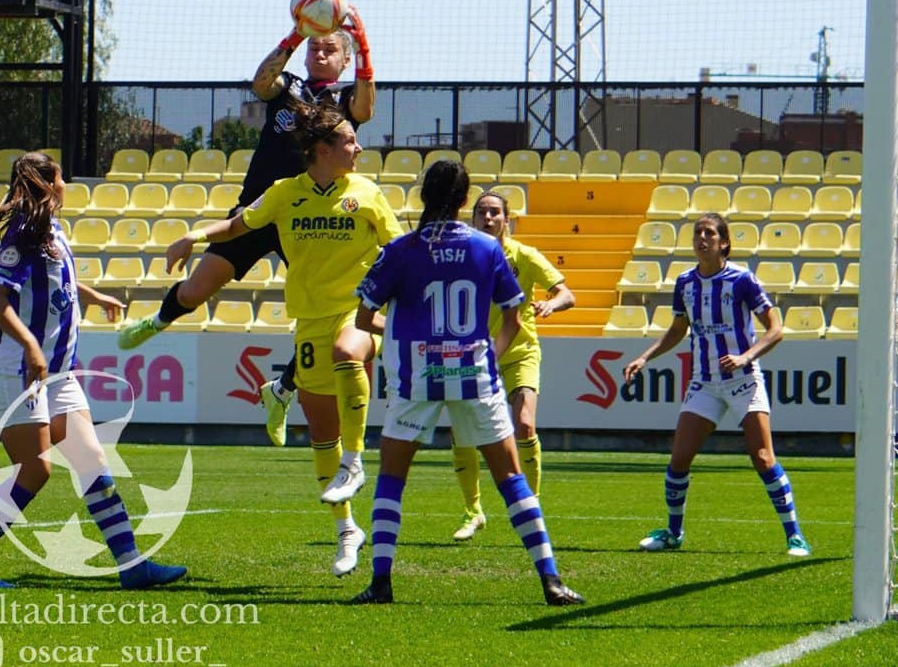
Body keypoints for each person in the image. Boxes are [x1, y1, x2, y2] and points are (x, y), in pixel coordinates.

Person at [117, 5, 377, 448]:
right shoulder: (288, 88)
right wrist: (296, 34)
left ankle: (282, 390)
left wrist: (365, 45)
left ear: (344, 58)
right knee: (196, 290)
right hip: (259, 206)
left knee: (326, 319)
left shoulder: (348, 97)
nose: (319, 53)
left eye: (329, 48)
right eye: (314, 47)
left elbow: (366, 110)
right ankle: (158, 320)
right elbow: (260, 83)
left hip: (310, 217)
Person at [163, 104, 401, 578]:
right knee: (321, 432)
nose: (358, 148)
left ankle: (355, 462)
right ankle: (346, 529)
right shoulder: (284, 193)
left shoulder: (368, 194)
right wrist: (194, 236)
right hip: (309, 320)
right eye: (349, 140)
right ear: (322, 149)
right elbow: (238, 226)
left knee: (348, 353)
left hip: (356, 310)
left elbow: (397, 247)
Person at [347, 159, 584, 606]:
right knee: (511, 477)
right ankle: (550, 579)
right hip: (474, 373)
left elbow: (363, 318)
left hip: (417, 376)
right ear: (463, 201)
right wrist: (488, 355)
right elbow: (513, 318)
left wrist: (402, 333)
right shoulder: (488, 248)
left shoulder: (399, 250)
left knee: (392, 477)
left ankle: (381, 582)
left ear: (423, 196)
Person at [0, 151, 187, 590]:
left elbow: (55, 279)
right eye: (60, 177)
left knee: (93, 460)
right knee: (35, 471)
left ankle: (132, 565)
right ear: (48, 183)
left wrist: (92, 297)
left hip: (59, 373)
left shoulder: (51, 227)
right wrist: (31, 346)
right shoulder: (26, 230)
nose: (65, 184)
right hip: (17, 372)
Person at [623, 213, 810, 558]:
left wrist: (745, 357)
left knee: (763, 458)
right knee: (679, 459)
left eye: (709, 233)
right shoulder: (685, 282)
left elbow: (775, 329)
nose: (702, 238)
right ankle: (673, 533)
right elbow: (678, 330)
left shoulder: (742, 279)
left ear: (724, 242)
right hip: (705, 383)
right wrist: (644, 357)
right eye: (698, 233)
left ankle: (795, 536)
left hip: (743, 380)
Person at [448, 190, 575, 541]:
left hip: (520, 350)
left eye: (494, 213)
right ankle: (473, 512)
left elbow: (567, 294)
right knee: (461, 434)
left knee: (524, 424)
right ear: (473, 218)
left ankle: (531, 505)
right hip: (475, 354)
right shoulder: (462, 256)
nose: (488, 218)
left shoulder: (524, 256)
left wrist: (551, 305)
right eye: (481, 212)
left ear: (507, 219)